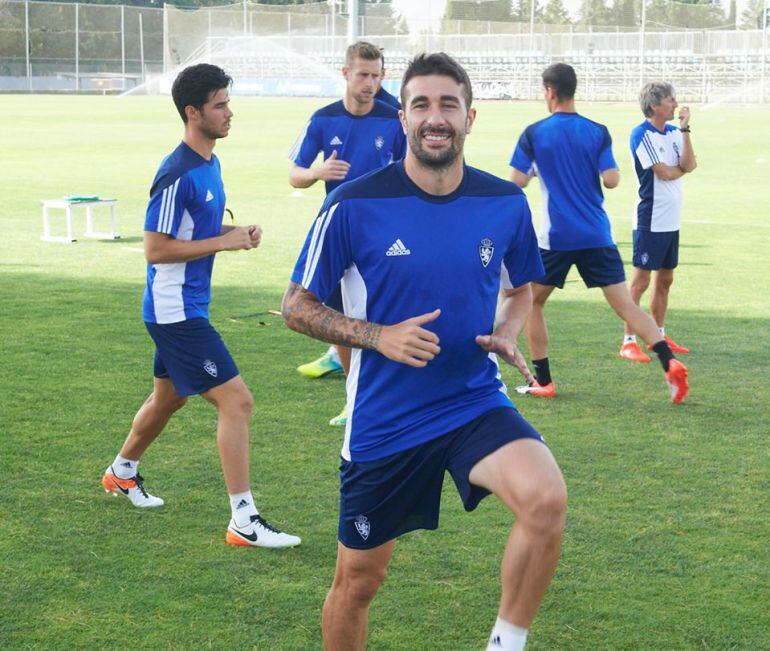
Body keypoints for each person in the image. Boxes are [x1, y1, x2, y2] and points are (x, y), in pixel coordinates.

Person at [282, 52, 565, 651]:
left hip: (471, 402)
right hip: (386, 421)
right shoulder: (352, 204)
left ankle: (505, 644)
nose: (434, 117)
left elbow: (520, 291)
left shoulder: (504, 203)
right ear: (403, 120)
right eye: (420, 105)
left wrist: (510, 330)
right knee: (358, 583)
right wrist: (376, 335)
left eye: (448, 104)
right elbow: (296, 307)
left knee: (545, 499)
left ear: (469, 117)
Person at [101, 63, 300, 549]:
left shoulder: (210, 163)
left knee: (170, 397)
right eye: (220, 105)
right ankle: (243, 521)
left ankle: (121, 472)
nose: (230, 113)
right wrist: (225, 245)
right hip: (175, 310)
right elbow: (156, 248)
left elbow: (195, 235)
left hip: (185, 305)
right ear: (193, 113)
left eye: (228, 102)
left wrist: (233, 234)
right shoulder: (177, 174)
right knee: (237, 401)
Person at [509, 63, 689, 404]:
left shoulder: (534, 133)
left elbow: (516, 181)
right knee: (626, 306)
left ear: (549, 90)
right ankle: (669, 361)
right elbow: (611, 179)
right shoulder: (597, 131)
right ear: (573, 90)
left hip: (557, 237)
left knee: (532, 301)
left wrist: (540, 171)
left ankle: (543, 380)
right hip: (597, 233)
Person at [288, 41, 406, 427]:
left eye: (376, 75)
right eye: (362, 75)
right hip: (339, 231)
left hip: (386, 233)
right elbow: (295, 174)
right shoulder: (322, 119)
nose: (370, 83)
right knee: (337, 315)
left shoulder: (394, 120)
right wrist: (318, 173)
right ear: (345, 74)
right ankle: (354, 400)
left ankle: (393, 395)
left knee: (384, 312)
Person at [620, 82, 697, 362]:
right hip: (650, 219)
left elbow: (691, 164)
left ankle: (659, 336)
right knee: (640, 281)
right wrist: (680, 170)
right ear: (654, 105)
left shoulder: (676, 132)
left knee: (666, 279)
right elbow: (663, 172)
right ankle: (628, 340)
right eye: (670, 100)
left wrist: (686, 129)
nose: (675, 104)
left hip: (671, 220)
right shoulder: (641, 135)